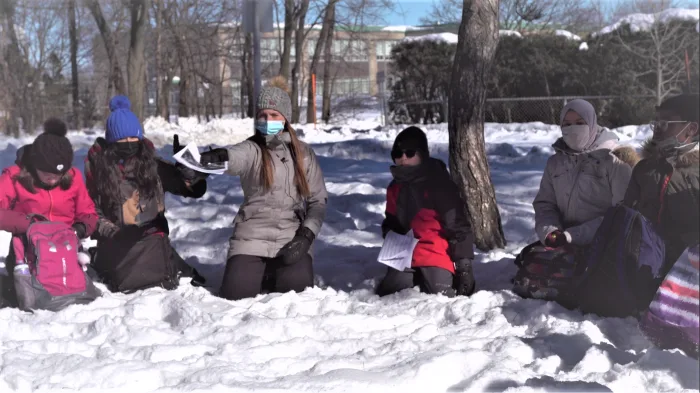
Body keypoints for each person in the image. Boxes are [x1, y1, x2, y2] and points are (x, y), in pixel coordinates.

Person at [199, 81, 328, 301]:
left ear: (285, 118)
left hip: (291, 236)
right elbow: (235, 157)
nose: (267, 121)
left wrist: (306, 236)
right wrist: (219, 157)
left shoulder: (304, 154)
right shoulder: (252, 148)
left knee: (297, 296)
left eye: (274, 115)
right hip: (251, 235)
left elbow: (318, 201)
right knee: (234, 297)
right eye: (262, 115)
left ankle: (273, 273)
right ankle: (258, 272)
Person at [84, 95, 208, 293]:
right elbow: (91, 212)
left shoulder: (153, 166)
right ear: (111, 143)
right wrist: (115, 233)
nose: (129, 143)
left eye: (133, 137)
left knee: (193, 280)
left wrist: (190, 173)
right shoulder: (99, 172)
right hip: (117, 246)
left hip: (154, 243)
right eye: (122, 139)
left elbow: (193, 190)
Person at [0, 119, 98, 307]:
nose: (53, 180)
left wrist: (80, 228)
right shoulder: (14, 176)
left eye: (58, 175)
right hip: (28, 254)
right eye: (47, 173)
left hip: (66, 251)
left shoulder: (74, 177)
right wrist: (28, 224)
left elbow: (89, 213)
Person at [375, 126, 475, 297]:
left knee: (440, 294)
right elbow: (392, 221)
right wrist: (390, 234)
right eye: (398, 154)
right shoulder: (395, 188)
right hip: (405, 252)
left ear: (422, 154)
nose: (403, 158)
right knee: (390, 293)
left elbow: (458, 226)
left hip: (435, 251)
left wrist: (464, 267)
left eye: (410, 153)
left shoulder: (439, 184)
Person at [533, 99, 637, 248]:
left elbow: (621, 214)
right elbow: (545, 204)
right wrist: (551, 231)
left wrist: (573, 236)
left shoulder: (615, 160)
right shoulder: (555, 163)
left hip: (605, 247)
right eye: (567, 124)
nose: (573, 128)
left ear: (592, 123)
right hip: (561, 244)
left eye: (580, 122)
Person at [624, 94, 699, 275]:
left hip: (687, 268)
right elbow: (627, 213)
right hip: (644, 260)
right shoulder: (644, 168)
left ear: (691, 129)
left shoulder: (696, 171)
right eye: (656, 122)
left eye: (666, 123)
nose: (658, 128)